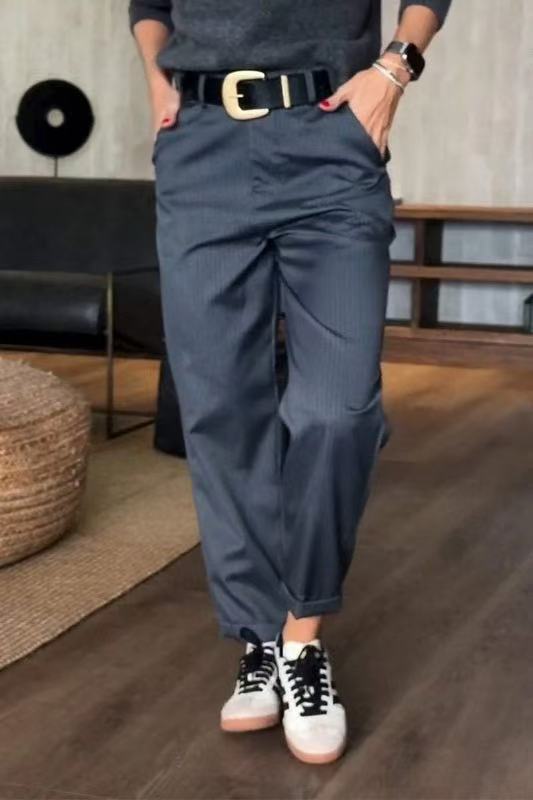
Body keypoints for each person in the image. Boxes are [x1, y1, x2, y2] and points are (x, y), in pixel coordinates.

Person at [128, 0, 452, 765]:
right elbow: (149, 4)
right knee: (220, 410)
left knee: (337, 410)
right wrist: (156, 80)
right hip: (201, 147)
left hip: (329, 132)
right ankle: (264, 639)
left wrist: (396, 67)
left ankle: (300, 638)